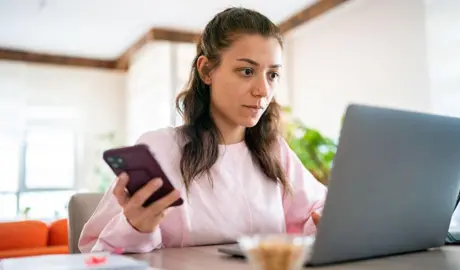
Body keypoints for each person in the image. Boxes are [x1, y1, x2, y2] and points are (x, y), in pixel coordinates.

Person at [78, 7, 327, 254]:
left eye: (272, 75)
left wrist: (330, 221)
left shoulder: (274, 151)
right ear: (207, 70)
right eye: (247, 71)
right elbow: (94, 255)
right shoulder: (159, 149)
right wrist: (134, 227)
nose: (263, 90)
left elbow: (319, 211)